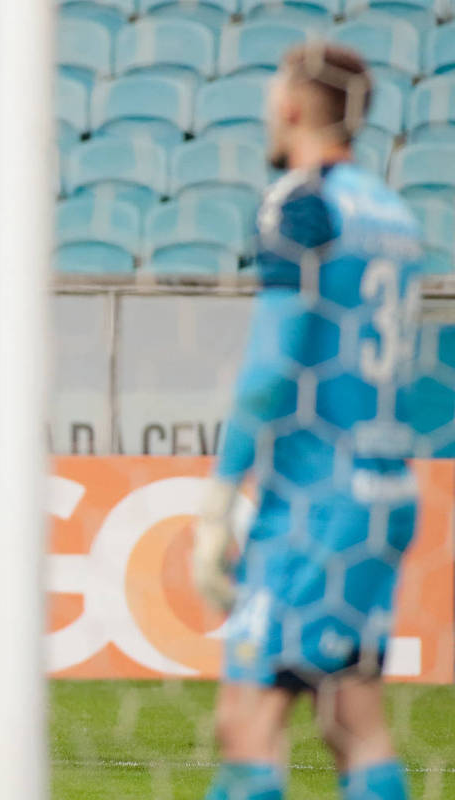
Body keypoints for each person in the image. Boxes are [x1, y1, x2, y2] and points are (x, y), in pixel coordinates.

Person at [192, 44, 424, 800]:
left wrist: (222, 493)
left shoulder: (301, 199)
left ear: (292, 107)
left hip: (314, 501)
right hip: (385, 490)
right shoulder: (391, 211)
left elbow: (270, 365)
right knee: (351, 718)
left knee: (245, 720)